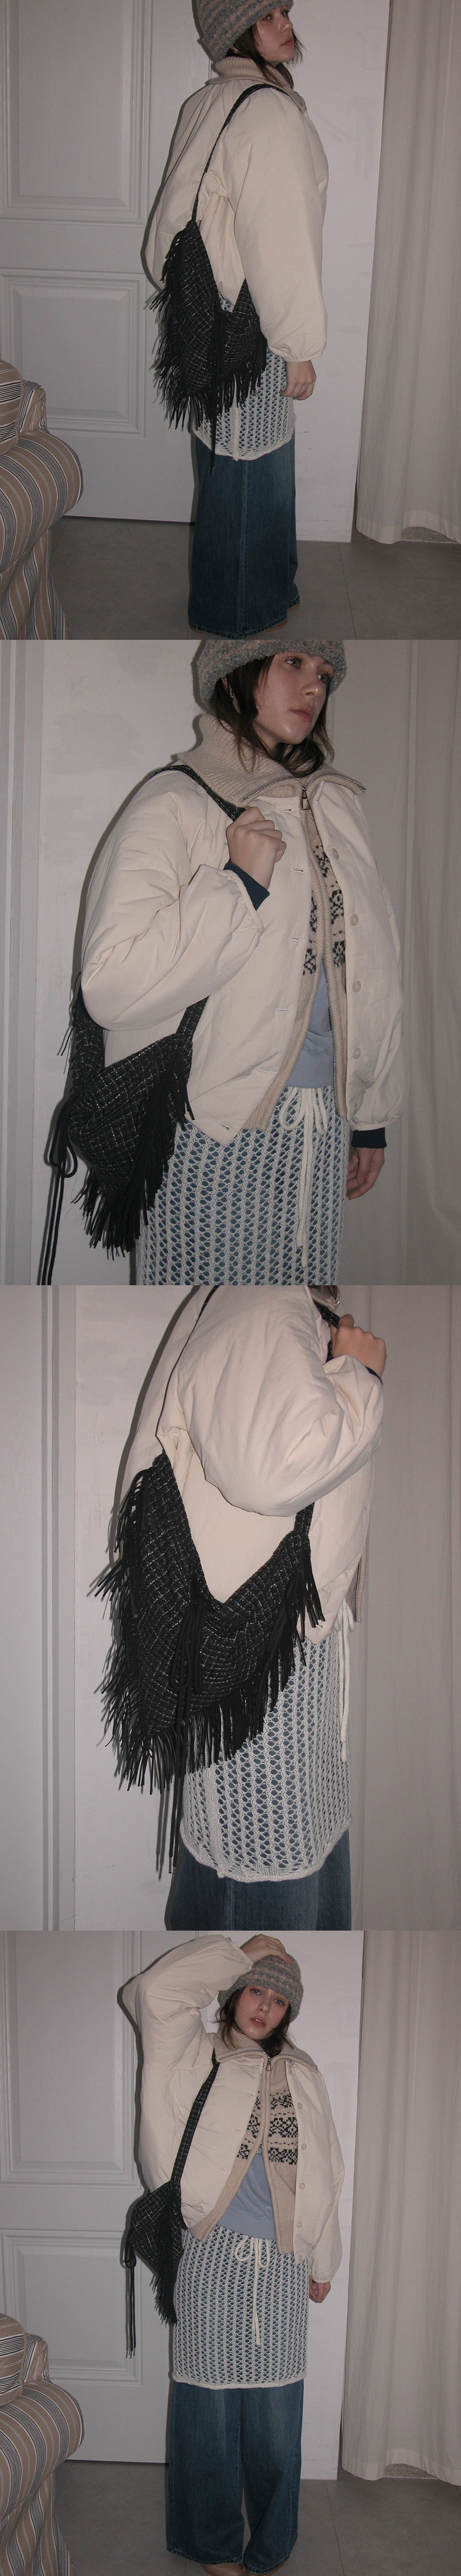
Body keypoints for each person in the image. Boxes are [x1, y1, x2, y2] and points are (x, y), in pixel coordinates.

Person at [79, 634, 405, 1289]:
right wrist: (239, 886)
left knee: (303, 1299)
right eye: (293, 663)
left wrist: (370, 1112)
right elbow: (111, 986)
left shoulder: (338, 807)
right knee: (214, 1302)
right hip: (212, 1123)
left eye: (325, 674)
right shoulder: (178, 800)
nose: (314, 687)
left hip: (324, 1115)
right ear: (234, 675)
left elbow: (375, 965)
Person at [100, 1282, 386, 1929]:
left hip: (283, 1678)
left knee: (290, 1889)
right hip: (259, 1686)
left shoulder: (291, 1309)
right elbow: (273, 1469)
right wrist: (359, 1378)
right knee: (268, 1892)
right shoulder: (263, 1298)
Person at [121, 1932, 344, 2573]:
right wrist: (242, 1952)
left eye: (280, 1999)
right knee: (208, 2417)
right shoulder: (195, 2052)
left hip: (283, 2262)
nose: (265, 2006)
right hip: (210, 2254)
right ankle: (214, 2546)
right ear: (235, 1991)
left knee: (276, 2423)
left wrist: (323, 2259)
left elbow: (328, 2172)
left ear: (290, 2012)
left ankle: (271, 2546)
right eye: (256, 1990)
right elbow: (152, 1992)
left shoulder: (304, 2072)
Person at [142, 4, 328, 632]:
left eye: (284, 11)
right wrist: (299, 344)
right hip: (254, 321)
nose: (285, 24)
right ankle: (238, 612)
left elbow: (169, 222)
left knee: (229, 460)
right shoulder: (268, 112)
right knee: (253, 473)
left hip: (210, 314)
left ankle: (270, 586)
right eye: (266, 15)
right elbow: (282, 239)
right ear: (235, 31)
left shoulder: (207, 101)